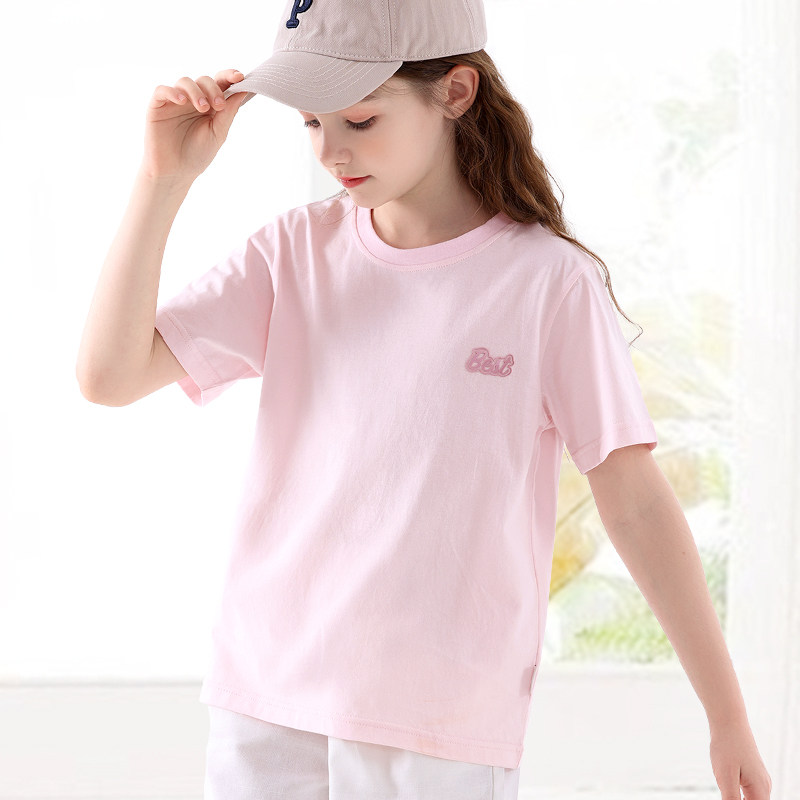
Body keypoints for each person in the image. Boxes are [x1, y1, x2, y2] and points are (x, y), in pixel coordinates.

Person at [75, 0, 773, 798]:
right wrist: (162, 182)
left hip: (438, 724)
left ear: (456, 91)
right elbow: (109, 376)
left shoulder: (547, 284)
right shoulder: (294, 253)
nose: (331, 151)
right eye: (311, 123)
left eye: (360, 119)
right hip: (267, 700)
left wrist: (727, 715)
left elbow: (637, 505)